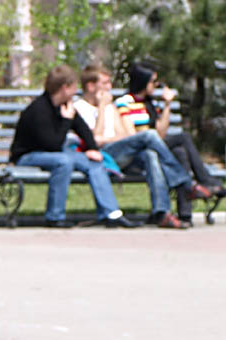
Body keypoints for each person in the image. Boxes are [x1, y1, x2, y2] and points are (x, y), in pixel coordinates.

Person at [74, 65, 213, 229]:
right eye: (105, 83)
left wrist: (108, 135)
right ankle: (186, 183)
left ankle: (161, 213)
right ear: (90, 86)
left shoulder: (112, 107)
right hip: (101, 156)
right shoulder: (81, 107)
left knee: (150, 154)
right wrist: (103, 108)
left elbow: (126, 135)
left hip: (122, 153)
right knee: (149, 136)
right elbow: (93, 141)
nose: (110, 87)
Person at [10, 64, 137, 228]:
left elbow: (82, 129)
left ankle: (111, 214)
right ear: (65, 88)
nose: (76, 91)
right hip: (28, 156)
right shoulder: (39, 110)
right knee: (64, 161)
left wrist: (92, 149)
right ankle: (54, 217)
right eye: (74, 86)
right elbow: (53, 144)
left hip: (54, 153)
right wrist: (66, 121)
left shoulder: (65, 105)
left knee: (94, 162)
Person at [115, 63, 225, 226]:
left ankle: (185, 214)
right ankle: (202, 181)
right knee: (184, 137)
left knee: (181, 151)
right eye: (153, 81)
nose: (156, 85)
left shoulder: (151, 104)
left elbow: (160, 134)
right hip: (137, 153)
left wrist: (167, 105)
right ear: (143, 81)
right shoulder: (125, 102)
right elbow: (133, 137)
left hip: (154, 148)